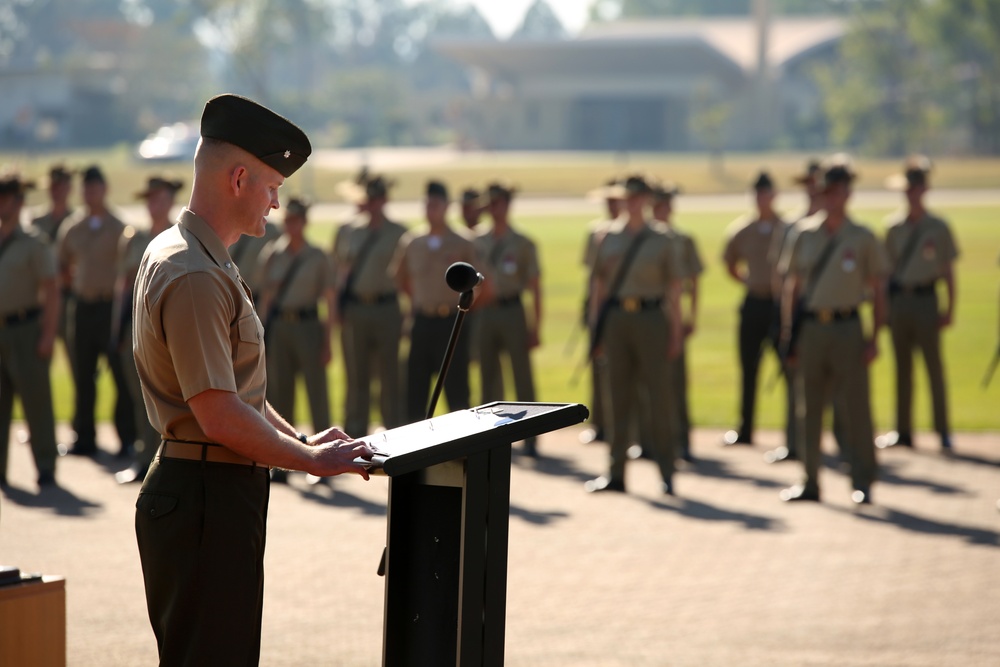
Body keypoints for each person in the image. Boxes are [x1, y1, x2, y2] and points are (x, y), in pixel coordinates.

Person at [132, 93, 374, 665]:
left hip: (211, 492)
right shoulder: (193, 272)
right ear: (238, 178)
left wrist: (302, 442)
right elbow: (218, 414)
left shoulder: (198, 255)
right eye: (271, 187)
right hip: (204, 498)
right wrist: (311, 462)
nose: (274, 202)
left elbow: (236, 394)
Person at [777, 156, 887, 504]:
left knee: (856, 407)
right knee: (808, 408)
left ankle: (863, 478)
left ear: (848, 194)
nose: (831, 198)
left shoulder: (862, 237)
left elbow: (877, 289)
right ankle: (810, 479)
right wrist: (788, 332)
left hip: (848, 327)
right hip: (812, 329)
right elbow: (791, 288)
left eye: (837, 192)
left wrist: (874, 337)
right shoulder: (803, 234)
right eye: (826, 192)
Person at [584, 174, 683, 494]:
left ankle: (667, 471)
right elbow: (597, 286)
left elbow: (674, 289)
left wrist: (676, 332)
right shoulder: (606, 237)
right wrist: (595, 329)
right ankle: (616, 472)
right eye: (628, 197)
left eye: (639, 197)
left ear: (647, 200)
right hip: (616, 320)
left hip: (652, 317)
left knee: (659, 398)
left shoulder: (662, 238)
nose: (634, 203)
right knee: (617, 397)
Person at [876, 156, 958, 452]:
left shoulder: (938, 227)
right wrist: (882, 309)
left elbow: (948, 271)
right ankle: (903, 430)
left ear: (924, 190)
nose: (911, 194)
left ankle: (943, 429)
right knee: (902, 369)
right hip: (900, 302)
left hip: (926, 300)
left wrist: (950, 308)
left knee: (934, 368)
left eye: (916, 188)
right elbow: (883, 275)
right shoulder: (893, 227)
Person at [56, 165, 134, 457]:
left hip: (108, 308)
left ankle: (127, 437)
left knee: (119, 373)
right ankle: (84, 436)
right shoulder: (74, 227)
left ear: (105, 190)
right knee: (82, 374)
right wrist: (72, 281)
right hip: (82, 307)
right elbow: (61, 263)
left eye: (95, 188)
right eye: (86, 189)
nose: (90, 194)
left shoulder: (120, 227)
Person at [258, 197, 336, 483]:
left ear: (305, 222)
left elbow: (330, 300)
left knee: (317, 393)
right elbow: (265, 299)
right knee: (280, 393)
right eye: (288, 220)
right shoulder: (273, 254)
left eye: (296, 220)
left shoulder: (318, 256)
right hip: (280, 327)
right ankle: (282, 461)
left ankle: (326, 459)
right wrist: (261, 338)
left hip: (308, 326)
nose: (291, 225)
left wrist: (328, 342)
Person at [113, 176, 182, 485]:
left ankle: (169, 460)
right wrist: (116, 328)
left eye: (159, 197)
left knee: (170, 396)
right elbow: (123, 286)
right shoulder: (134, 238)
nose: (153, 204)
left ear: (170, 200)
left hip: (170, 329)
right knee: (137, 393)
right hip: (136, 327)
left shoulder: (181, 236)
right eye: (149, 198)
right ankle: (145, 458)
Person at [395, 180, 480, 422]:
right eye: (428, 204)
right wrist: (420, 300)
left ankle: (462, 450)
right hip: (422, 321)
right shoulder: (413, 242)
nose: (431, 209)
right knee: (415, 392)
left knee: (457, 392)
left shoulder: (463, 242)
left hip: (452, 322)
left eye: (436, 204)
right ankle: (414, 454)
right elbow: (400, 279)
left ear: (447, 206)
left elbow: (482, 283)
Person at [331, 174, 407, 436]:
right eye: (369, 199)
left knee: (390, 374)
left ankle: (395, 431)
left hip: (387, 308)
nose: (373, 204)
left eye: (378, 198)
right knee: (356, 374)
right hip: (356, 309)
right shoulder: (349, 230)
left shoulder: (400, 232)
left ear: (385, 200)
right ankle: (354, 431)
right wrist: (337, 309)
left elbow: (407, 275)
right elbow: (339, 272)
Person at [0, 173, 60, 489]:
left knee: (36, 403)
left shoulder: (33, 243)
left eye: (7, 197)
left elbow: (51, 289)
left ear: (19, 202)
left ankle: (46, 466)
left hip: (25, 329)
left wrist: (48, 334)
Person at [473, 181, 542, 457]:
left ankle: (531, 435)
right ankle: (489, 433)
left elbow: (535, 286)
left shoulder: (523, 243)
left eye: (500, 203)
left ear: (508, 205)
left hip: (513, 310)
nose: (496, 209)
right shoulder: (476, 240)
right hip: (485, 312)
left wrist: (536, 325)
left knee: (521, 374)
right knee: (488, 374)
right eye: (491, 204)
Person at [721, 171, 789, 447]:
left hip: (779, 303)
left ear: (774, 196)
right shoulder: (743, 230)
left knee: (788, 369)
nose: (762, 199)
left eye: (766, 194)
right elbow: (730, 261)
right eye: (758, 194)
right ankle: (745, 428)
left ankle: (793, 435)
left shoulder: (786, 228)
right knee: (748, 368)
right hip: (753, 302)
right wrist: (744, 279)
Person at [652, 180, 703, 463]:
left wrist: (690, 317)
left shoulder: (682, 240)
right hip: (649, 315)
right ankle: (650, 441)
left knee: (677, 384)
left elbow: (693, 282)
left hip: (672, 316)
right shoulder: (644, 238)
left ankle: (683, 440)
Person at [579, 177, 624, 446]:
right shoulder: (596, 232)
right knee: (598, 363)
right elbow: (592, 274)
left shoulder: (630, 235)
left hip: (619, 305)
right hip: (599, 303)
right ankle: (600, 422)